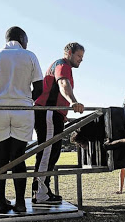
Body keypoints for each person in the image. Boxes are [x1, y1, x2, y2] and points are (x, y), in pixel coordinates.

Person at [0, 26, 43, 213]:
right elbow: (39, 88)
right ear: (21, 38)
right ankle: (20, 203)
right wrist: (25, 99)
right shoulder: (29, 55)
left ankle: (0, 202)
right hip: (22, 109)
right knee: (18, 156)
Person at [32, 42, 85, 204]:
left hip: (54, 113)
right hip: (48, 112)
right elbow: (63, 83)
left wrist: (63, 114)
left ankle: (43, 189)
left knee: (52, 152)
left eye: (82, 58)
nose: (81, 60)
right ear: (69, 53)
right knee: (47, 152)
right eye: (79, 56)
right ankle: (39, 193)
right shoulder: (63, 65)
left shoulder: (60, 65)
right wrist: (73, 102)